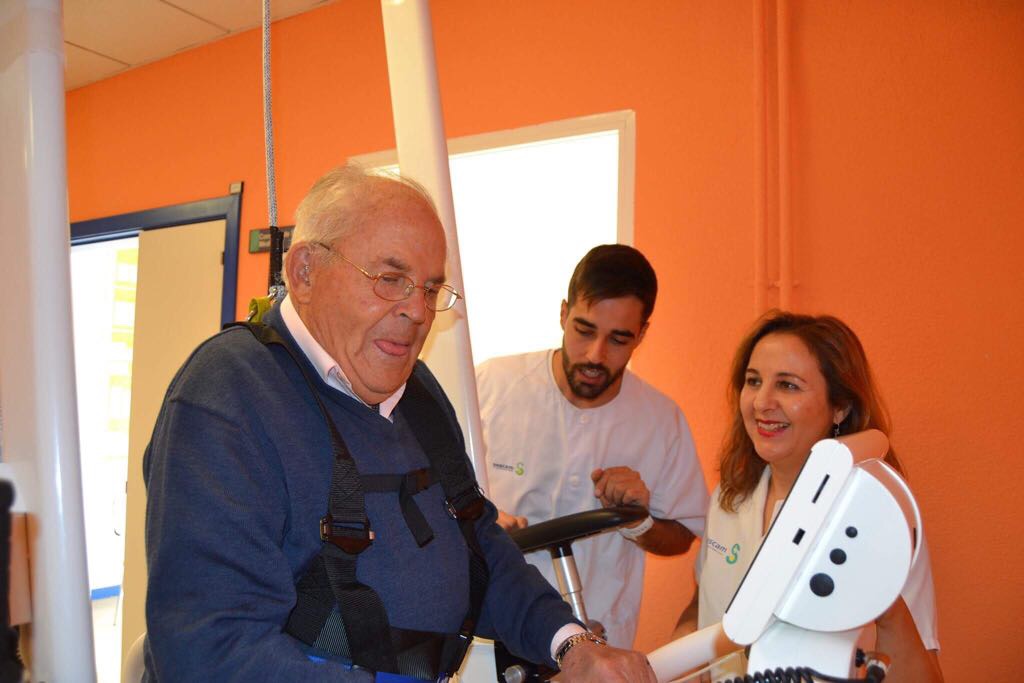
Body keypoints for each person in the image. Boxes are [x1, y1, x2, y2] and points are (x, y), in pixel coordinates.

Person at [142, 165, 658, 682]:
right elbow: (212, 649)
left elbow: (478, 541)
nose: (417, 311)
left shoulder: (420, 393)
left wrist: (571, 643)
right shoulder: (228, 398)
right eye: (391, 280)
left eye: (430, 289)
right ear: (303, 272)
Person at [680, 311, 942, 681]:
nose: (761, 402)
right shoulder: (730, 497)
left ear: (841, 407)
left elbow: (924, 673)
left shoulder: (878, 512)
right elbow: (703, 606)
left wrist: (880, 594)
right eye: (753, 381)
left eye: (788, 386)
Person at [476, 244, 709, 649]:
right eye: (584, 330)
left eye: (619, 339)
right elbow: (429, 490)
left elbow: (683, 535)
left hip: (600, 639)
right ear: (563, 313)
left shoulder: (661, 420)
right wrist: (477, 519)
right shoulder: (491, 385)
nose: (595, 355)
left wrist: (639, 520)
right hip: (490, 630)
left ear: (642, 335)